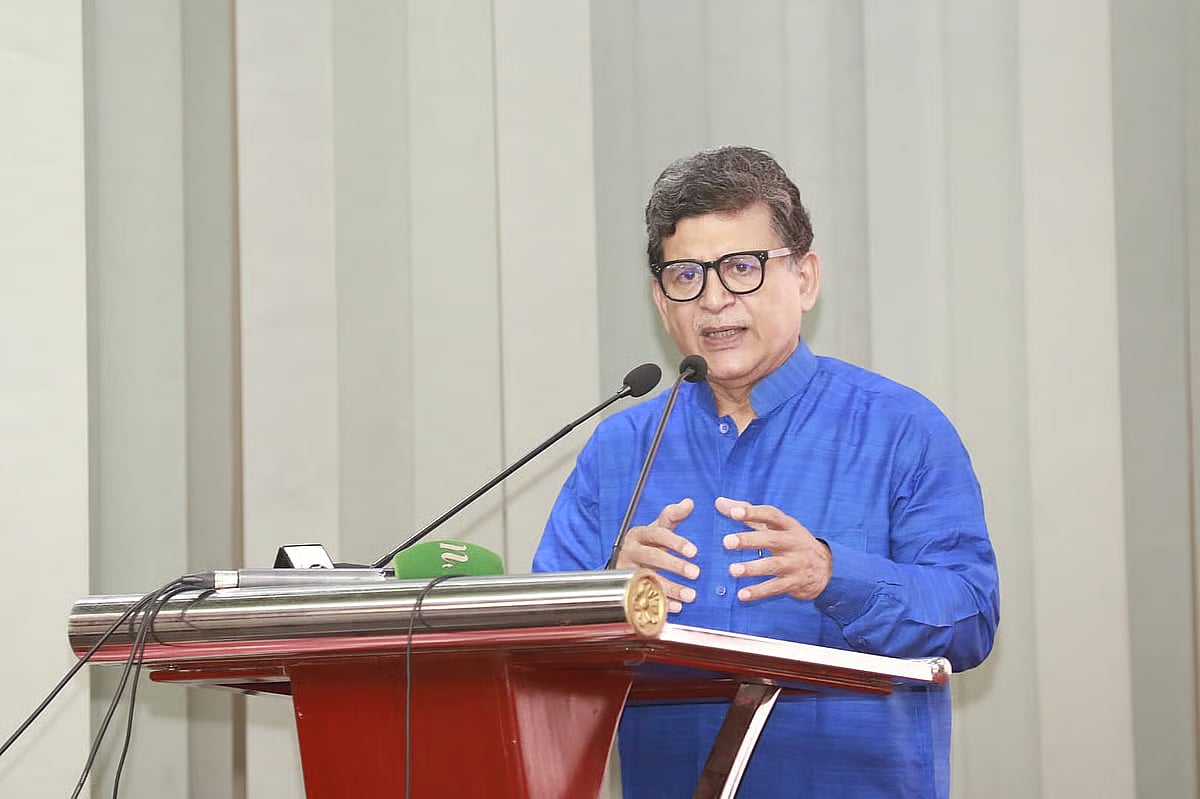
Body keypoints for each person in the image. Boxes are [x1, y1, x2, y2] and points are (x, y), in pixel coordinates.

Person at [532, 145, 999, 798]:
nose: (714, 300)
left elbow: (970, 617)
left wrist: (832, 574)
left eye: (741, 267)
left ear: (804, 278)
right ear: (662, 302)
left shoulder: (901, 430)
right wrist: (608, 593)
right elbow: (536, 651)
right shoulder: (620, 451)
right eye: (686, 275)